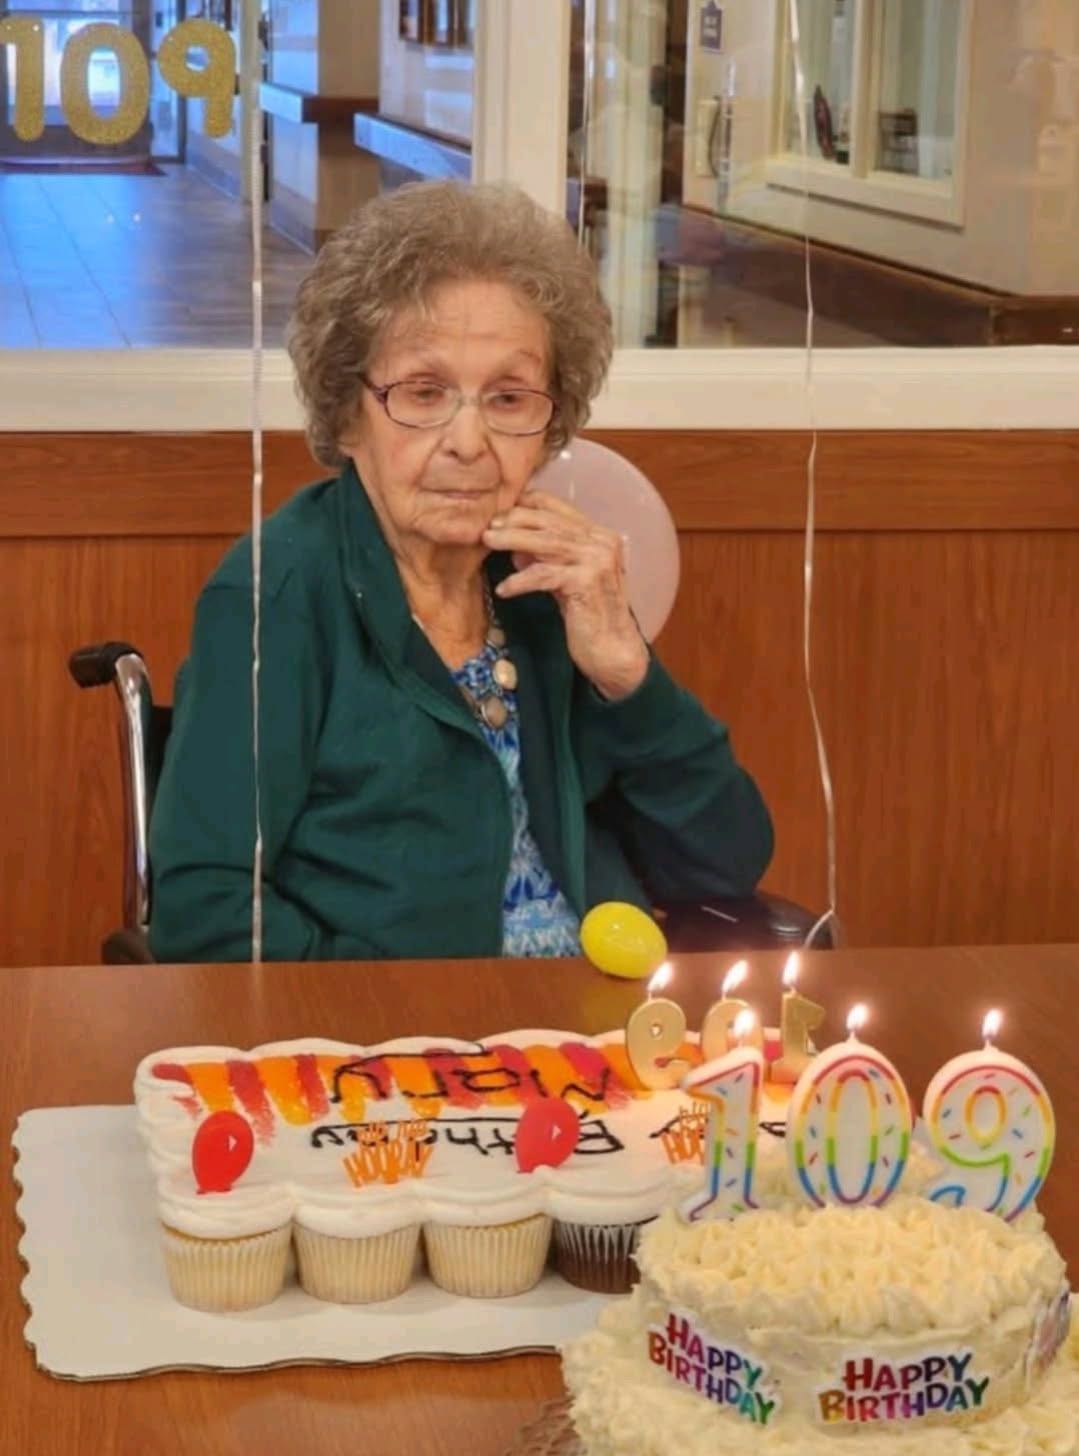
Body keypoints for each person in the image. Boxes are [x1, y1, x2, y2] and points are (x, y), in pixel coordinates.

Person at [148, 180, 773, 963]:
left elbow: (723, 864)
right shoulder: (278, 595)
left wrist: (626, 676)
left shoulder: (547, 582)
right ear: (346, 412)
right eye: (423, 393)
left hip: (594, 1018)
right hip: (398, 1031)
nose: (469, 442)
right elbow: (204, 911)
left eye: (508, 399)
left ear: (550, 424)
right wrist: (400, 1016)